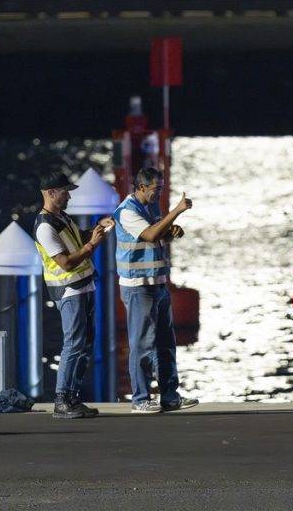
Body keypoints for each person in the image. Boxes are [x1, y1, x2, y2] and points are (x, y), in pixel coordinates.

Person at [112, 167, 199, 413]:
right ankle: (140, 400)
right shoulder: (127, 211)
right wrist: (177, 211)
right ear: (141, 187)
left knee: (165, 344)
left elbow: (157, 237)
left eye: (161, 189)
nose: (159, 193)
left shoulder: (150, 207)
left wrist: (170, 233)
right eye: (155, 189)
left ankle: (170, 396)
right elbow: (150, 235)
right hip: (138, 287)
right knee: (142, 345)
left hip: (157, 284)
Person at [34, 172, 113, 419]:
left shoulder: (62, 217)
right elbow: (66, 263)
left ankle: (72, 397)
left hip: (84, 287)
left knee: (84, 344)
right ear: (51, 193)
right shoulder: (45, 227)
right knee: (74, 344)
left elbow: (79, 239)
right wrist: (93, 245)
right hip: (69, 290)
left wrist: (98, 228)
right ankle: (62, 401)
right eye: (65, 192)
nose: (69, 196)